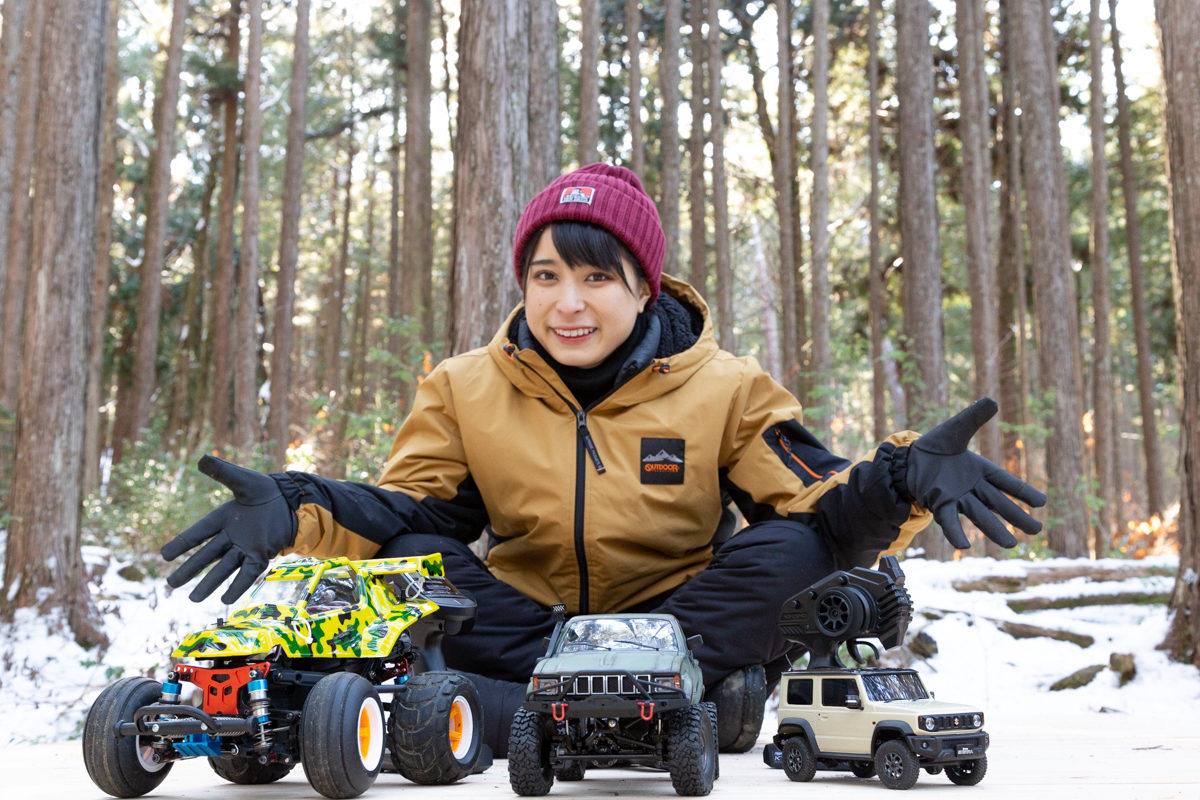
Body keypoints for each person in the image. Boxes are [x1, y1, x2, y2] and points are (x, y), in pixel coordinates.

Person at [160, 164, 1044, 755]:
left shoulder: (725, 387)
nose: (568, 304)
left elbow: (816, 506)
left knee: (798, 551)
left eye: (596, 278)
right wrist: (294, 503)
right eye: (546, 277)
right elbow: (415, 517)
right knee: (405, 567)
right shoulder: (466, 388)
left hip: (678, 626)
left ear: (642, 286)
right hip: (526, 626)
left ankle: (613, 699)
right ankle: (655, 718)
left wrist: (899, 479)